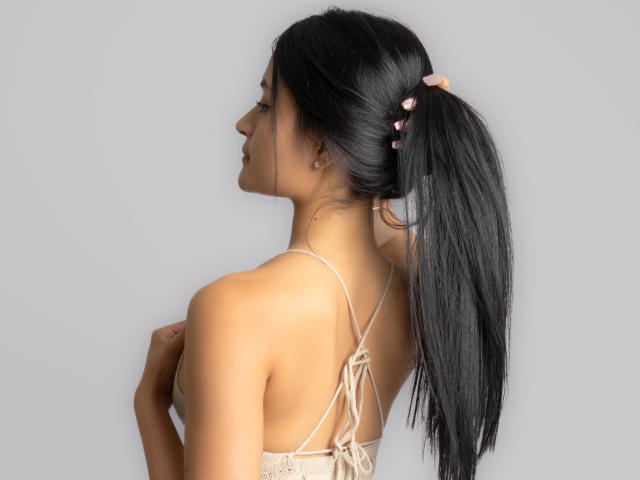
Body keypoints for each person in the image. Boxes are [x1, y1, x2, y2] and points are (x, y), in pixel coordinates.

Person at [134, 7, 513, 480]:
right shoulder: (420, 284)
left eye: (266, 105)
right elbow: (382, 221)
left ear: (322, 144)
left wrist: (150, 401)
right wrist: (396, 138)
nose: (243, 123)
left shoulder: (235, 307)